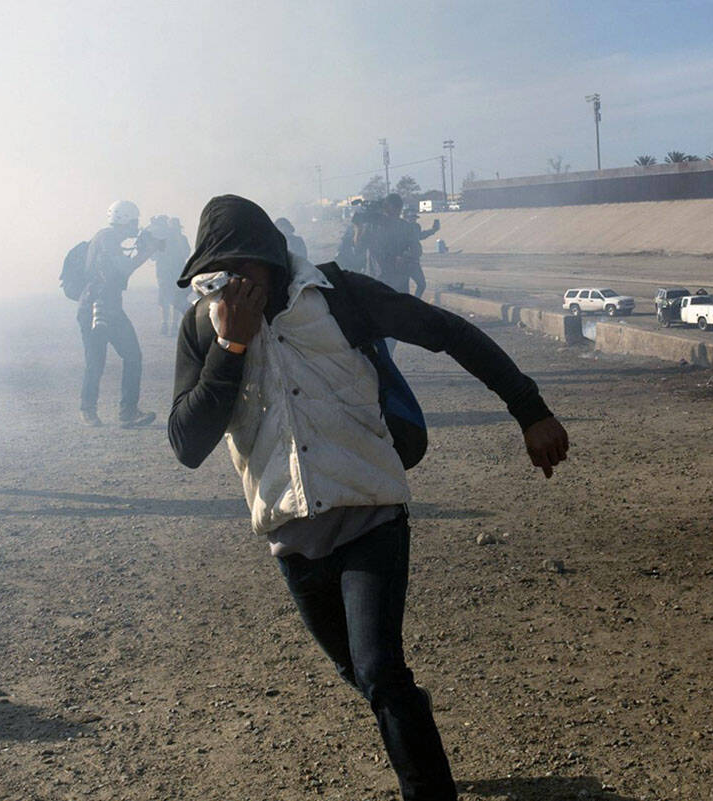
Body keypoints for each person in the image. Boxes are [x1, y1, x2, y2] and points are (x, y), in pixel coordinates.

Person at [167, 194, 568, 801]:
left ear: (274, 260)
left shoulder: (337, 295)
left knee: (380, 669)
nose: (233, 283)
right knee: (362, 672)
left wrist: (529, 409)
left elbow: (447, 332)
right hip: (291, 532)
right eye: (217, 275)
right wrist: (232, 348)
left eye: (245, 267)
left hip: (370, 508)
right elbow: (187, 443)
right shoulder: (207, 326)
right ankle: (412, 723)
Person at [77, 200, 160, 427]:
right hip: (96, 308)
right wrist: (146, 252)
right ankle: (90, 409)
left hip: (109, 307)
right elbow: (122, 269)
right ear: (125, 220)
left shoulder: (108, 238)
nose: (136, 227)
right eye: (134, 222)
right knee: (97, 361)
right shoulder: (107, 238)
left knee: (132, 356)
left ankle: (127, 412)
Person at [154, 217, 193, 336]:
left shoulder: (181, 239)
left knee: (177, 297)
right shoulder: (162, 239)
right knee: (164, 299)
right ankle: (165, 323)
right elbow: (155, 255)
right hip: (165, 273)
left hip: (177, 272)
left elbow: (185, 253)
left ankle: (173, 324)